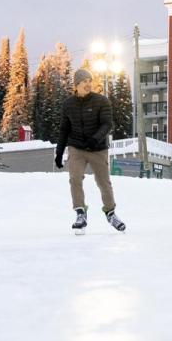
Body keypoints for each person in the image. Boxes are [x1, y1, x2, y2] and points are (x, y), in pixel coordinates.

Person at [56, 68, 126, 234]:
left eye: (89, 81)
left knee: (103, 182)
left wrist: (95, 139)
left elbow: (107, 124)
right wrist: (59, 152)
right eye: (84, 81)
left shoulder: (101, 101)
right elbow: (64, 129)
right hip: (77, 148)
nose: (88, 84)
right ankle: (80, 212)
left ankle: (110, 213)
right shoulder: (68, 104)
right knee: (74, 178)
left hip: (97, 148)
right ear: (76, 85)